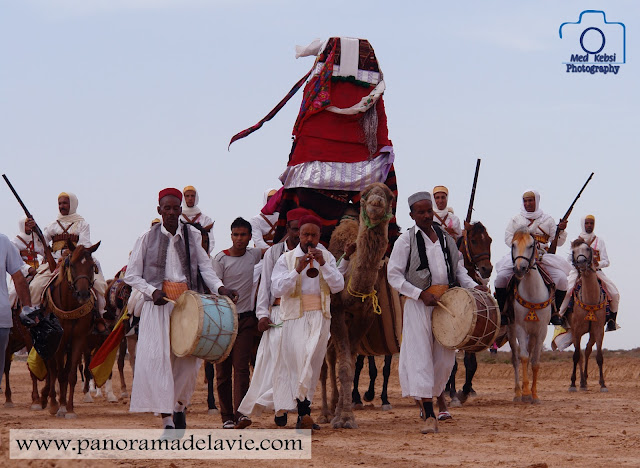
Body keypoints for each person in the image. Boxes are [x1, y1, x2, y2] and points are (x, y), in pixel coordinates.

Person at [124, 188, 236, 431]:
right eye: (168, 208)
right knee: (159, 361)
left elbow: (205, 267)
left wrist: (220, 287)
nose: (173, 212)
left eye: (177, 208)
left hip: (187, 307)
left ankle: (178, 407)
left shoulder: (192, 236)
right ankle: (167, 421)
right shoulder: (146, 237)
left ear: (181, 211)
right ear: (159, 211)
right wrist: (151, 291)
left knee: (187, 362)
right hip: (158, 306)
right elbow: (131, 275)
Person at [387, 192, 479, 434]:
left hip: (446, 305)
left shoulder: (445, 237)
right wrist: (419, 294)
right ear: (412, 215)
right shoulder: (405, 241)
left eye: (429, 211)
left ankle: (430, 398)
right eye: (421, 212)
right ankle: (429, 414)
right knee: (420, 357)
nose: (427, 215)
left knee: (445, 360)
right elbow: (393, 275)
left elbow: (458, 270)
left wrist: (473, 286)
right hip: (419, 306)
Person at [271, 215, 344, 429]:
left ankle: (303, 412)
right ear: (298, 235)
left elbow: (338, 286)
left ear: (319, 236)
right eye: (305, 234)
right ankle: (293, 409)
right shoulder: (286, 259)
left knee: (311, 363)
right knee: (297, 364)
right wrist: (296, 270)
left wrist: (323, 264)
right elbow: (276, 289)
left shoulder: (327, 257)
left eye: (313, 235)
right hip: (295, 317)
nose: (309, 238)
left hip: (320, 317)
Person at [237, 207, 306, 427]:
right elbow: (265, 285)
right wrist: (262, 315)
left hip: (304, 315)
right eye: (295, 230)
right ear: (288, 229)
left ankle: (304, 414)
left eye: (302, 231)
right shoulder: (274, 253)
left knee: (303, 364)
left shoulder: (317, 252)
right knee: (279, 363)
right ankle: (280, 408)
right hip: (278, 314)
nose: (298, 235)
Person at [212, 217, 263, 429]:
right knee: (223, 371)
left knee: (241, 367)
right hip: (223, 321)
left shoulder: (255, 254)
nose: (239, 239)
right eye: (236, 235)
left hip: (246, 320)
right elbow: (214, 288)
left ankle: (241, 413)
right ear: (231, 236)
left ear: (250, 237)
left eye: (243, 235)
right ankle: (226, 416)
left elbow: (279, 248)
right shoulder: (220, 259)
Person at [494, 190, 571, 325]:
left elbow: (558, 242)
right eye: (525, 201)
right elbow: (508, 238)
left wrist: (561, 230)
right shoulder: (516, 220)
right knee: (500, 278)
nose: (528, 203)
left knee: (562, 279)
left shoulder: (547, 220)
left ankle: (555, 312)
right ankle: (502, 312)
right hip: (521, 255)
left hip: (542, 257)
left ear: (537, 201)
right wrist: (522, 244)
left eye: (531, 200)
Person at [28, 192, 108, 316]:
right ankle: (35, 316)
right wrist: (35, 232)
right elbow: (40, 244)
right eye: (60, 203)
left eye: (65, 203)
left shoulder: (82, 224)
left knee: (99, 284)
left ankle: (100, 314)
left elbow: (84, 244)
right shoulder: (52, 225)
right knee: (35, 286)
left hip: (77, 260)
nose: (62, 206)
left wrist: (71, 255)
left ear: (72, 204)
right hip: (54, 260)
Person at [560, 215, 620, 331]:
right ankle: (561, 316)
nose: (589, 225)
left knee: (614, 292)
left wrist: (598, 264)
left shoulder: (599, 241)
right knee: (567, 290)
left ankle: (612, 320)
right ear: (583, 224)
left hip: (596, 272)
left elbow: (606, 261)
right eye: (587, 223)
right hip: (579, 272)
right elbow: (569, 260)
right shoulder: (575, 241)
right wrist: (578, 267)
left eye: (591, 223)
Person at [1, 233, 34, 389]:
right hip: (28, 271)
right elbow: (19, 274)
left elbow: (19, 278)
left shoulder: (3, 241)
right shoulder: (12, 241)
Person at [180, 185, 215, 254]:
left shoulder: (205, 219)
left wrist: (202, 256)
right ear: (183, 198)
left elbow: (210, 240)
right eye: (187, 196)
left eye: (192, 196)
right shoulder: (178, 218)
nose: (190, 198)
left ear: (196, 198)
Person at [250, 189, 280, 253]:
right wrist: (273, 252)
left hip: (281, 252)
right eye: (270, 199)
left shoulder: (284, 216)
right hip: (264, 253)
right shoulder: (256, 220)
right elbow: (258, 241)